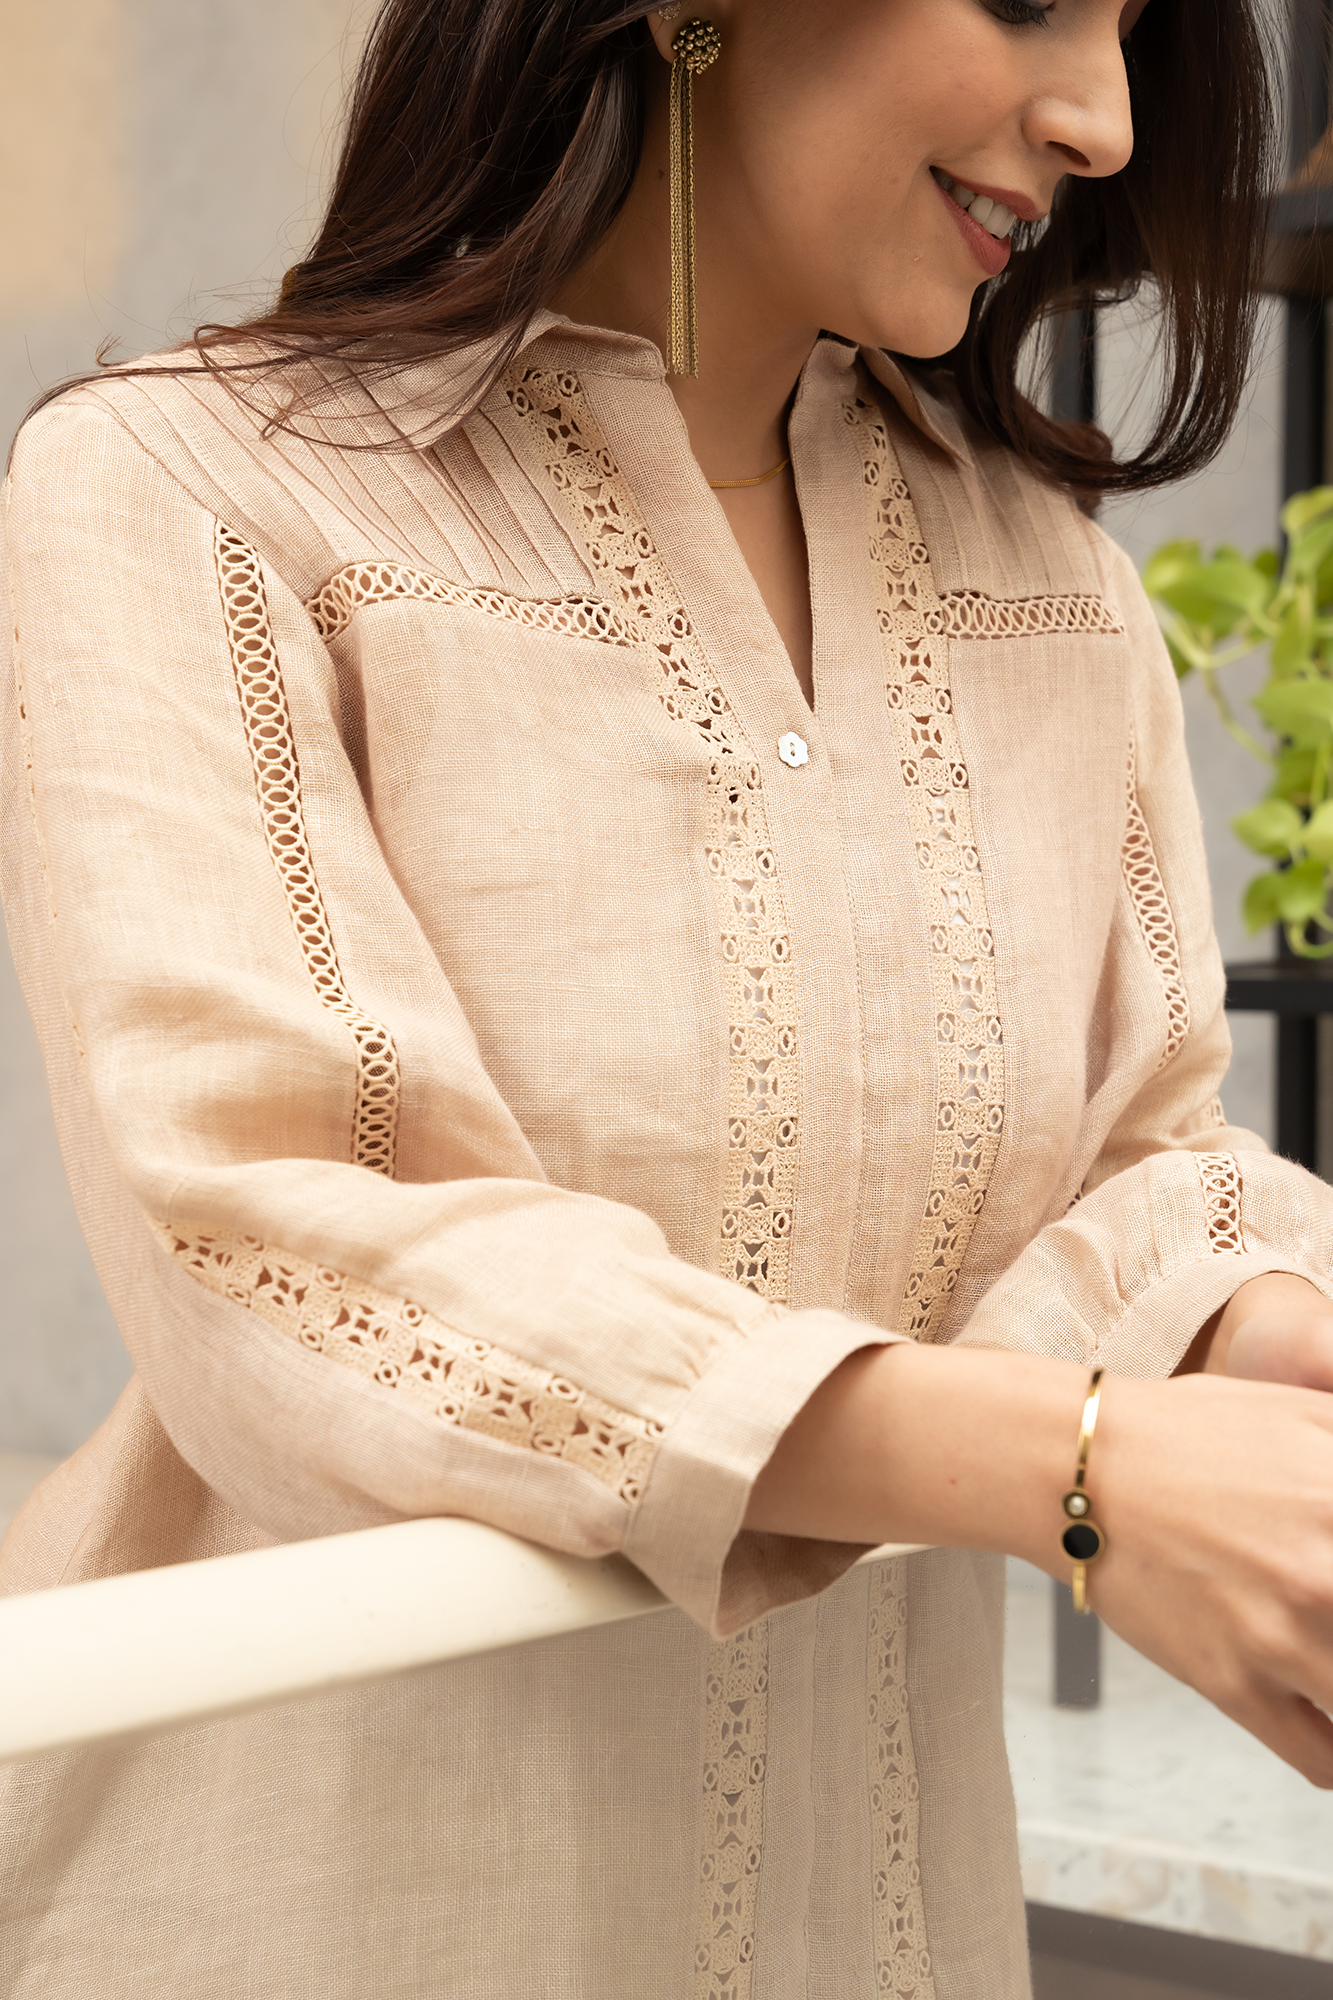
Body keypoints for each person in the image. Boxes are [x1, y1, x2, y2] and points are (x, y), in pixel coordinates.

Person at [2, 1, 1331, 1994]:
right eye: (1043, 0)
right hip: (299, 1916)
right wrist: (1075, 1466)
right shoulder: (192, 493)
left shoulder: (1051, 585)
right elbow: (272, 1235)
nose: (1110, 122)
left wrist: (1268, 1347)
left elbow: (1145, 1164)